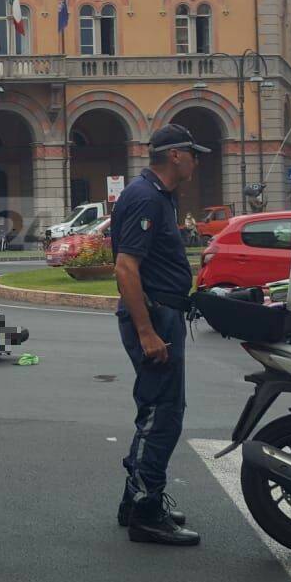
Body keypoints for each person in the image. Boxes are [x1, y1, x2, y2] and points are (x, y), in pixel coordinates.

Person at [111, 123, 205, 547]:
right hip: (155, 318)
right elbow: (125, 267)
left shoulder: (158, 195)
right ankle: (147, 514)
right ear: (175, 156)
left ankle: (135, 501)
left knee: (157, 406)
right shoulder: (147, 197)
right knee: (162, 412)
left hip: (163, 313)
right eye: (193, 153)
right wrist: (148, 332)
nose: (197, 160)